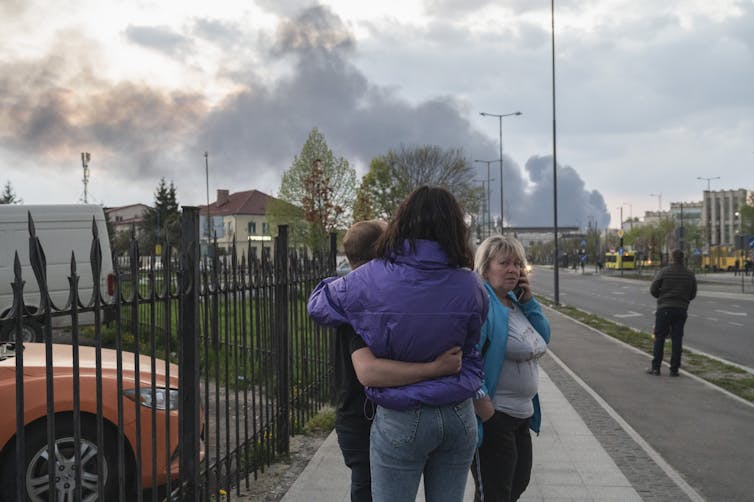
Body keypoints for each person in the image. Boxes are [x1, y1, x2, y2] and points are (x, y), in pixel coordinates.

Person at [308, 186, 487, 502]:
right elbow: (471, 344)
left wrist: (347, 287)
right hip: (458, 413)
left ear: (402, 222)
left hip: (403, 416)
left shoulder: (371, 278)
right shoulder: (470, 283)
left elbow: (318, 306)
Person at [334, 219, 464, 502]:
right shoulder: (361, 300)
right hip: (364, 419)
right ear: (383, 250)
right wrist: (434, 369)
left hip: (358, 416)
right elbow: (369, 372)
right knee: (367, 491)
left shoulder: (355, 292)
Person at [471, 234, 551, 502]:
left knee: (518, 483)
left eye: (517, 264)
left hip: (521, 415)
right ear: (485, 268)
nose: (513, 270)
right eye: (504, 263)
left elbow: (543, 338)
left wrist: (529, 301)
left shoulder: (514, 302)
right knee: (494, 493)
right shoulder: (481, 304)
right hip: (497, 414)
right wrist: (483, 404)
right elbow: (468, 356)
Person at [647, 248, 697, 377]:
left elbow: (653, 289)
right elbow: (693, 293)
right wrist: (683, 300)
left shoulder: (664, 272)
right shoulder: (689, 274)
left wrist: (661, 297)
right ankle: (674, 369)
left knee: (660, 338)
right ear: (683, 259)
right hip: (681, 309)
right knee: (677, 339)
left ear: (671, 258)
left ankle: (656, 368)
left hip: (664, 308)